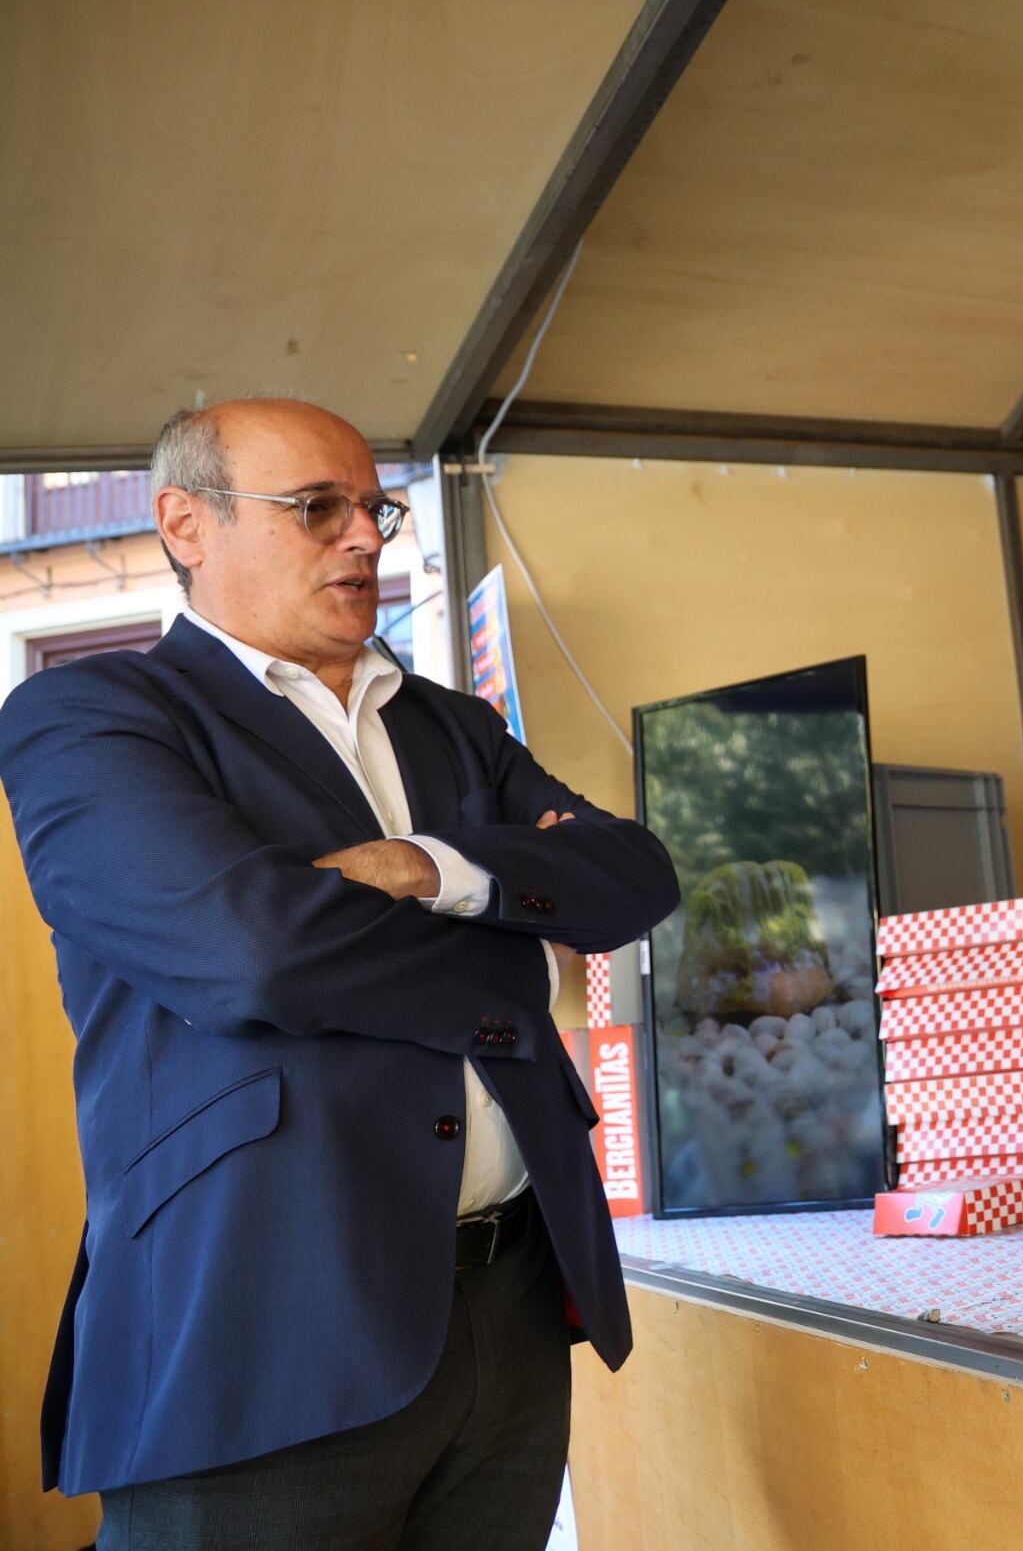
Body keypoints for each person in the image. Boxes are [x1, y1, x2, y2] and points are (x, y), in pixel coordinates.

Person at [0, 398, 680, 1549]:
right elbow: (249, 950)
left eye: (375, 505)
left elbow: (631, 875)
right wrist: (510, 919)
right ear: (185, 523)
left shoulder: (453, 727)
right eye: (318, 507)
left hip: (510, 1306)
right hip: (262, 1319)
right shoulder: (93, 715)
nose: (365, 536)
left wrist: (423, 867)